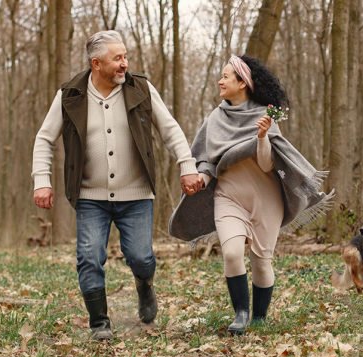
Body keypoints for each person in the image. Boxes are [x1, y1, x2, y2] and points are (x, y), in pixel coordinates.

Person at [31, 30, 203, 341]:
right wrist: (42, 181)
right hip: (89, 196)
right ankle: (100, 323)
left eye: (125, 57)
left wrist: (187, 166)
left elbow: (171, 130)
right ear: (96, 64)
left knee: (140, 256)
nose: (125, 64)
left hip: (136, 195)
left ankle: (144, 285)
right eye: (117, 59)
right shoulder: (70, 94)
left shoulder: (141, 88)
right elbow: (44, 138)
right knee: (89, 256)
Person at [168, 55, 334, 335]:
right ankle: (241, 314)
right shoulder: (215, 118)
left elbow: (269, 164)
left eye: (226, 76)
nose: (220, 81)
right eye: (220, 76)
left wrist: (261, 138)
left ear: (242, 83)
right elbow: (208, 160)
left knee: (261, 260)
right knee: (232, 253)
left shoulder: (265, 116)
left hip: (266, 200)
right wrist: (201, 178)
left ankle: (259, 316)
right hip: (228, 197)